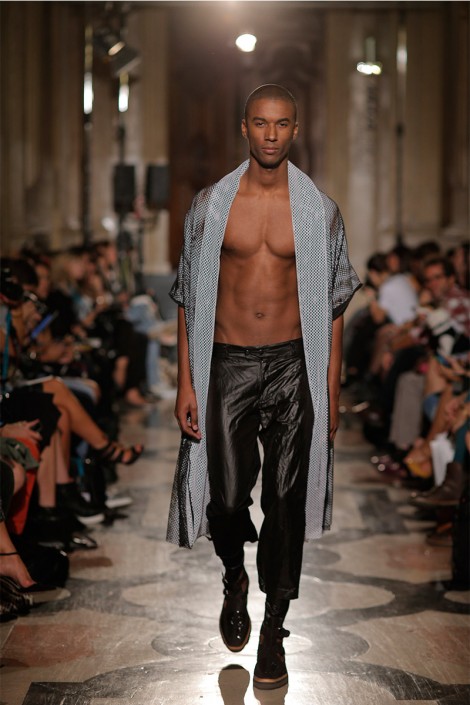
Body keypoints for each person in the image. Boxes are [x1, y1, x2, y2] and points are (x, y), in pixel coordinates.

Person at [167, 84, 361, 690]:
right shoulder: (210, 205)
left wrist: (329, 392)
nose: (271, 134)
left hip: (292, 365)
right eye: (260, 123)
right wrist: (185, 383)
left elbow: (335, 304)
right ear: (244, 127)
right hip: (225, 362)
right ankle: (234, 575)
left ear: (295, 130)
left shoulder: (319, 211)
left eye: (281, 124)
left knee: (286, 500)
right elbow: (188, 296)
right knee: (226, 497)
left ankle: (274, 628)